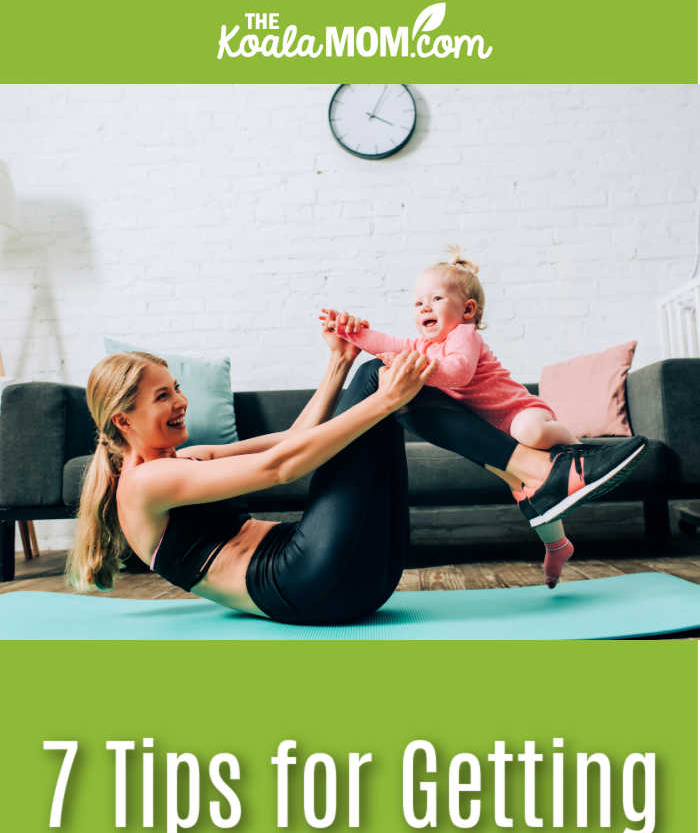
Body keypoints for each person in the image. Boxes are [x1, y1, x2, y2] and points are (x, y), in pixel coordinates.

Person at [66, 324, 646, 625]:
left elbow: (292, 440)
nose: (181, 402)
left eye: (177, 388)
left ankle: (533, 475)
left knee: (386, 378)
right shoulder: (143, 486)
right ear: (124, 419)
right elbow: (281, 467)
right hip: (308, 582)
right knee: (385, 380)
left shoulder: (175, 464)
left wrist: (339, 364)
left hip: (340, 578)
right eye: (163, 396)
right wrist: (381, 397)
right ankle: (535, 475)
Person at [322, 247, 600, 587]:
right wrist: (349, 331)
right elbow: (385, 341)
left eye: (436, 298)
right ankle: (557, 546)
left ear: (468, 310)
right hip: (495, 432)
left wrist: (411, 367)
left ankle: (586, 455)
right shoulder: (424, 346)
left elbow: (457, 373)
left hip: (520, 413)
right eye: (418, 302)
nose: (425, 307)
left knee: (529, 434)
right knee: (526, 488)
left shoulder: (463, 336)